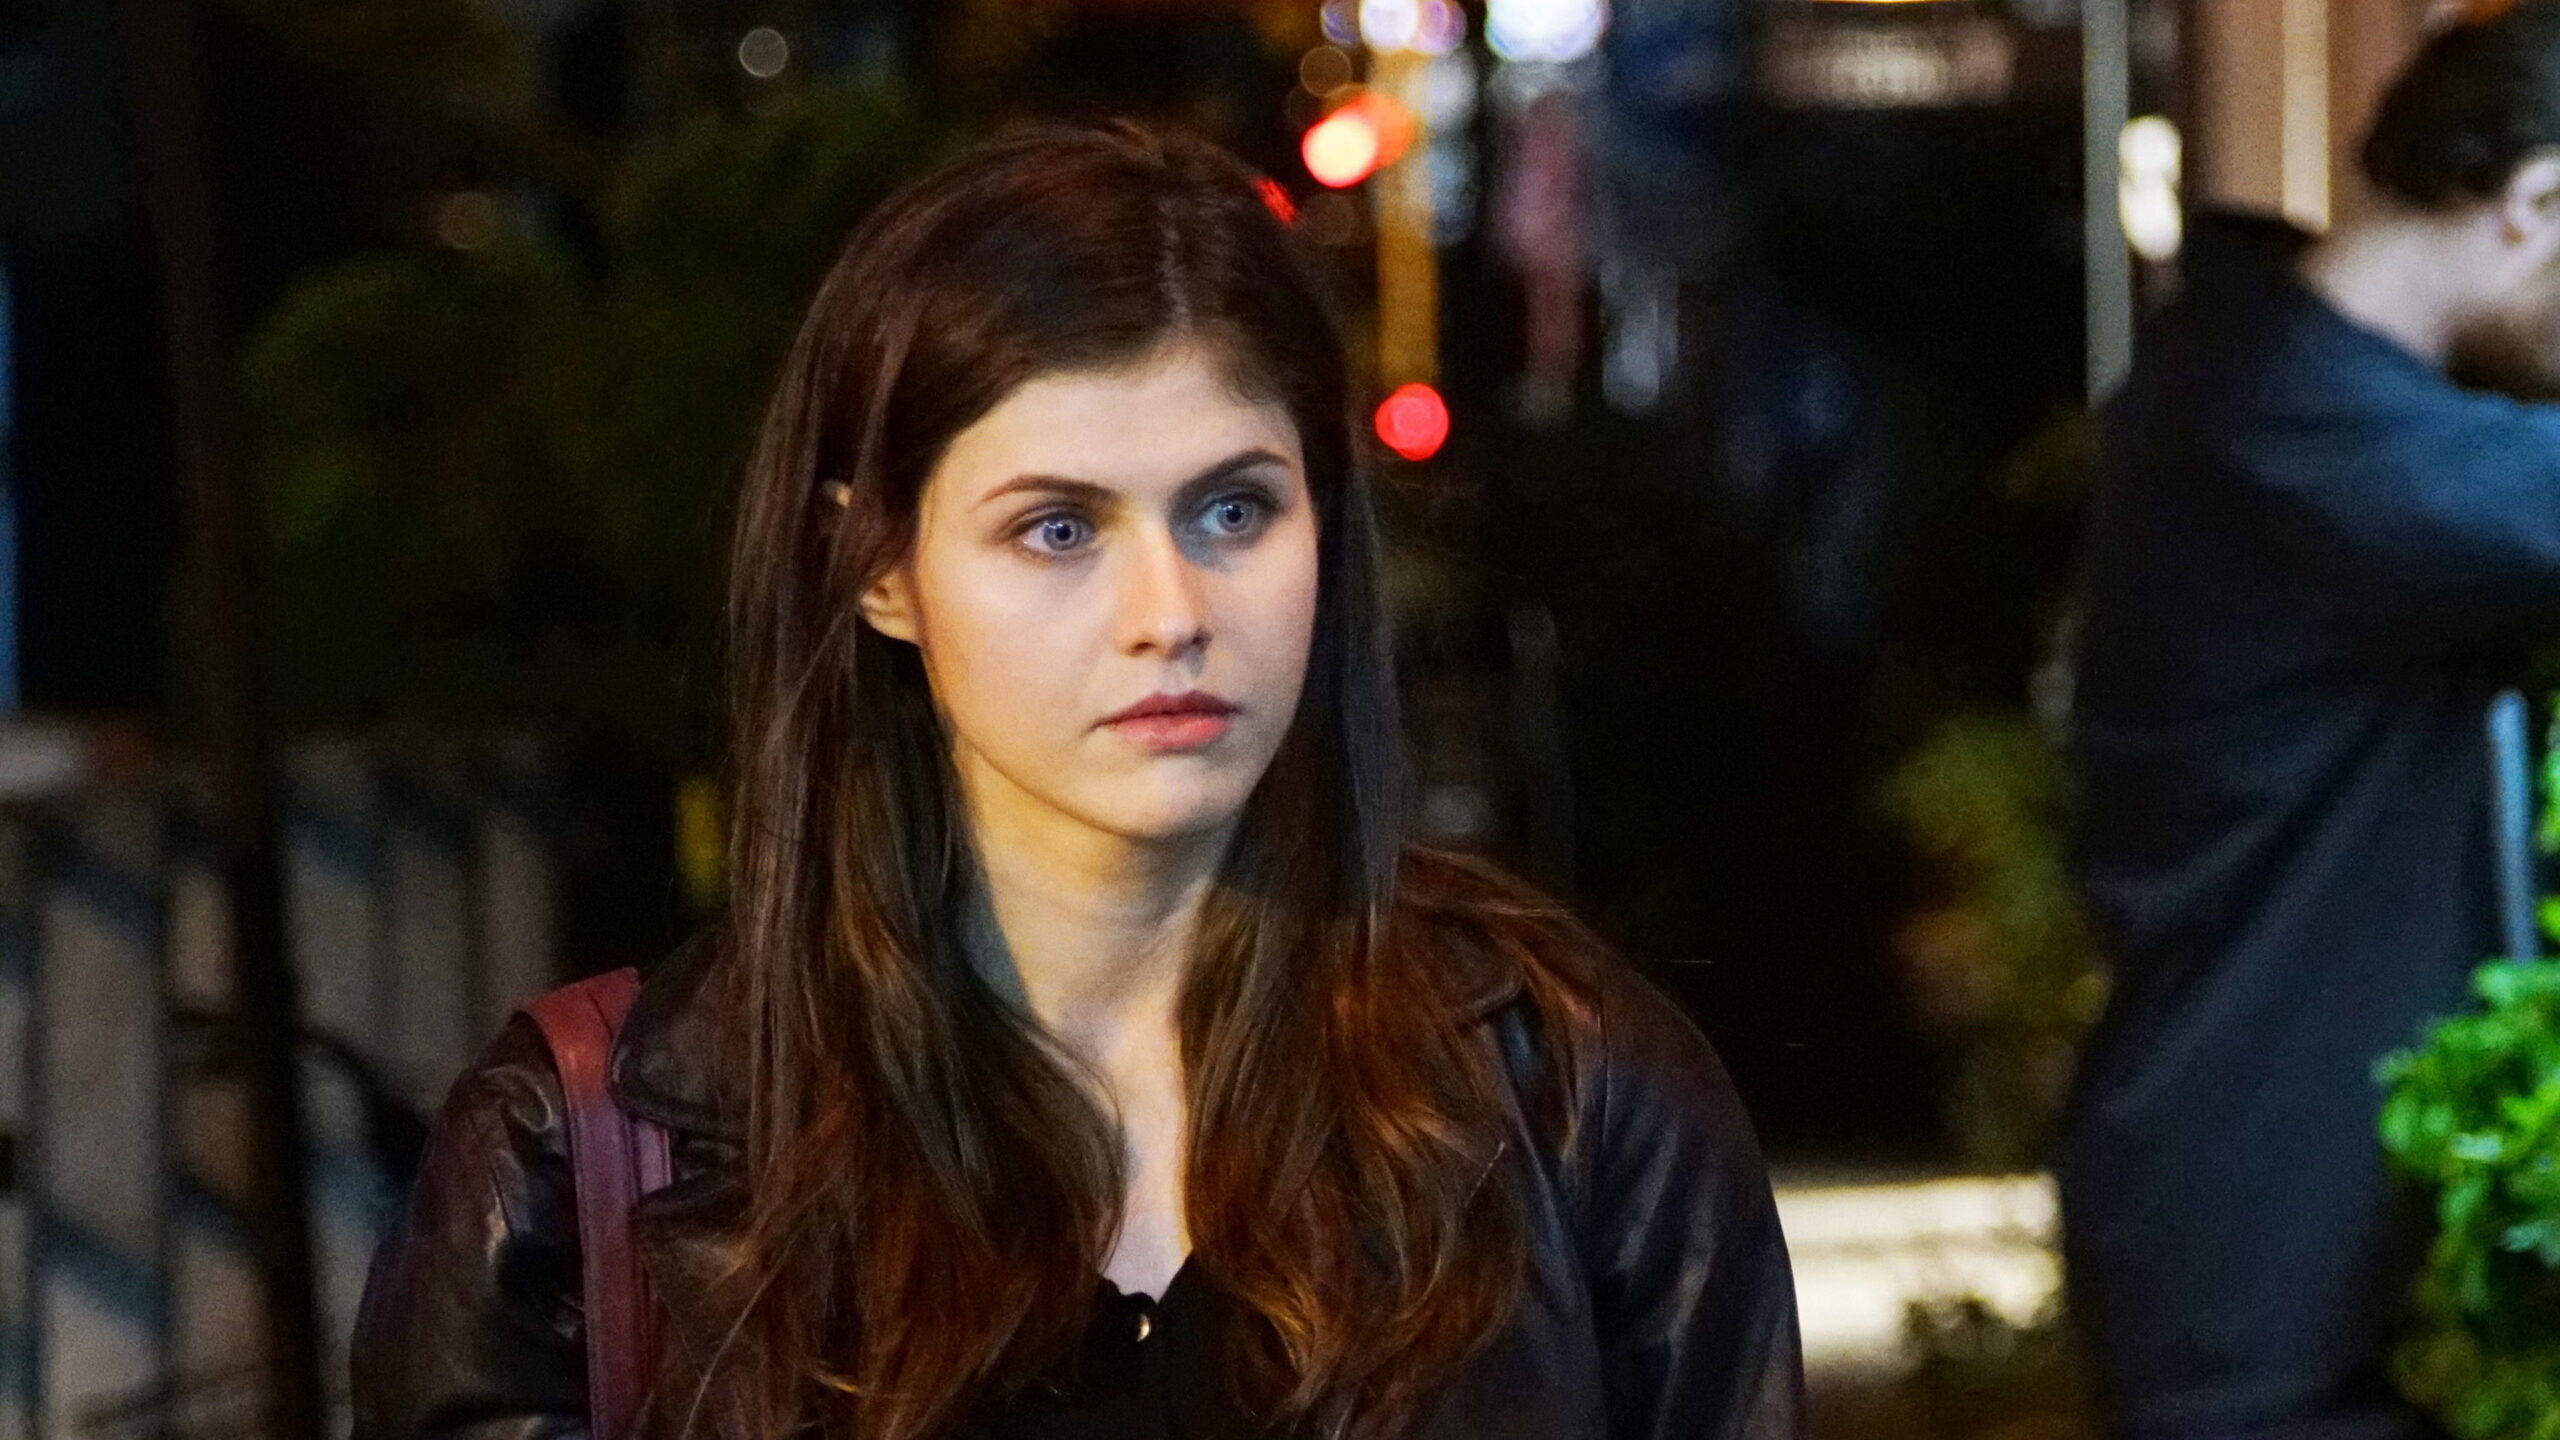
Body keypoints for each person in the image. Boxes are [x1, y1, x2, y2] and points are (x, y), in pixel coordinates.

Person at [348, 124, 1803, 1440]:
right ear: (877, 568)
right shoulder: (587, 1169)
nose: (1170, 612)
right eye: (1057, 529)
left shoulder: (1568, 1090)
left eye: (1233, 509)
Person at [2061, 7, 2560, 1438]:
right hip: (2260, 1252)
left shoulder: (2262, 370)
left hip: (2263, 1214)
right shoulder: (2290, 418)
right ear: (2536, 206)